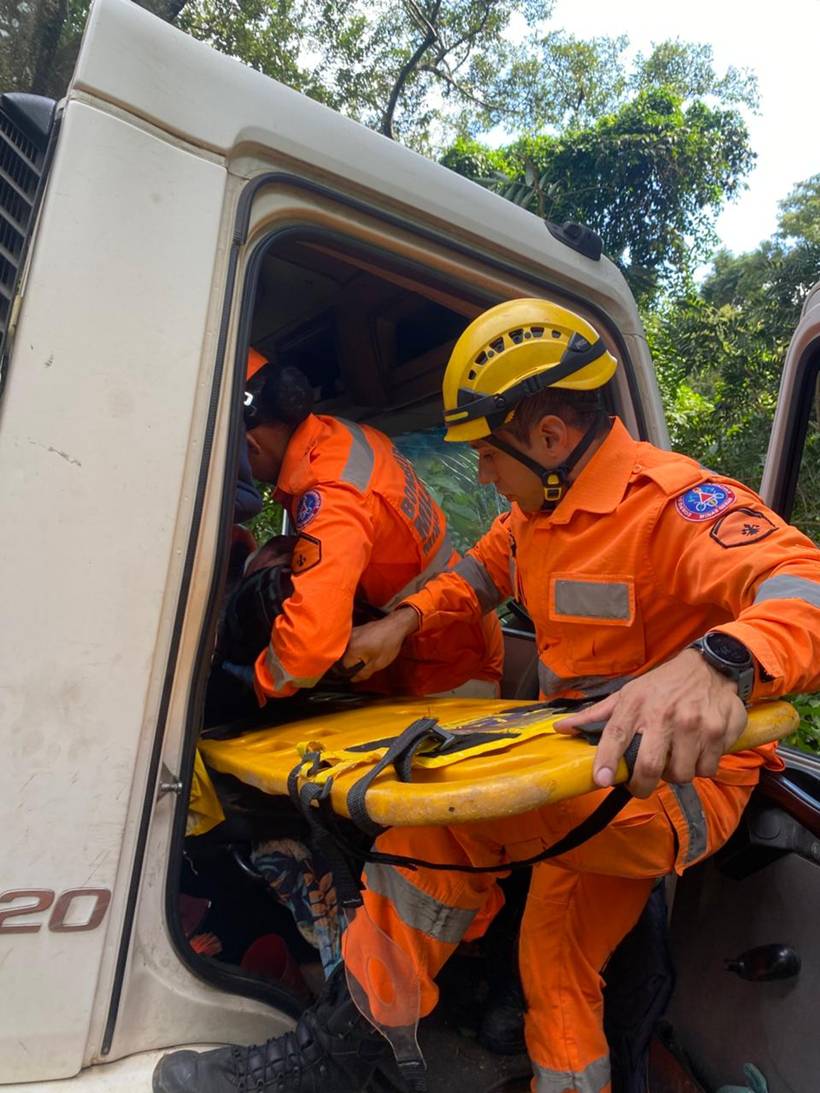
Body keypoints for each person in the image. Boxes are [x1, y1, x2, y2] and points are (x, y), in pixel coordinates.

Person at [154, 301, 820, 1093]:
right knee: (555, 969)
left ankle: (333, 1059)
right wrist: (401, 623)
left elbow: (804, 581)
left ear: (547, 437)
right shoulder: (536, 509)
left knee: (437, 824)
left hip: (677, 784)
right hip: (577, 766)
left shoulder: (670, 504)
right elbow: (476, 573)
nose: (479, 474)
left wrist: (718, 662)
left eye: (485, 452)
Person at [238, 347, 503, 702]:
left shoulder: (333, 493)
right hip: (447, 642)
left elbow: (308, 652)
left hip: (446, 674)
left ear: (250, 445)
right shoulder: (341, 436)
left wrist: (249, 687)